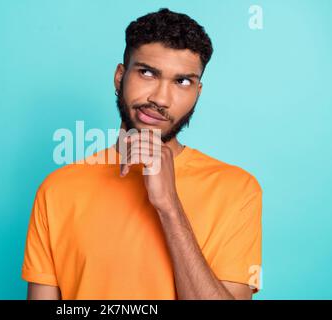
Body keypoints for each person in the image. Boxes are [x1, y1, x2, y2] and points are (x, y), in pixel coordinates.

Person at [22, 8, 262, 300]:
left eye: (182, 81)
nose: (160, 98)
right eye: (147, 73)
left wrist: (170, 208)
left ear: (198, 91)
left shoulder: (237, 190)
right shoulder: (57, 189)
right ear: (119, 76)